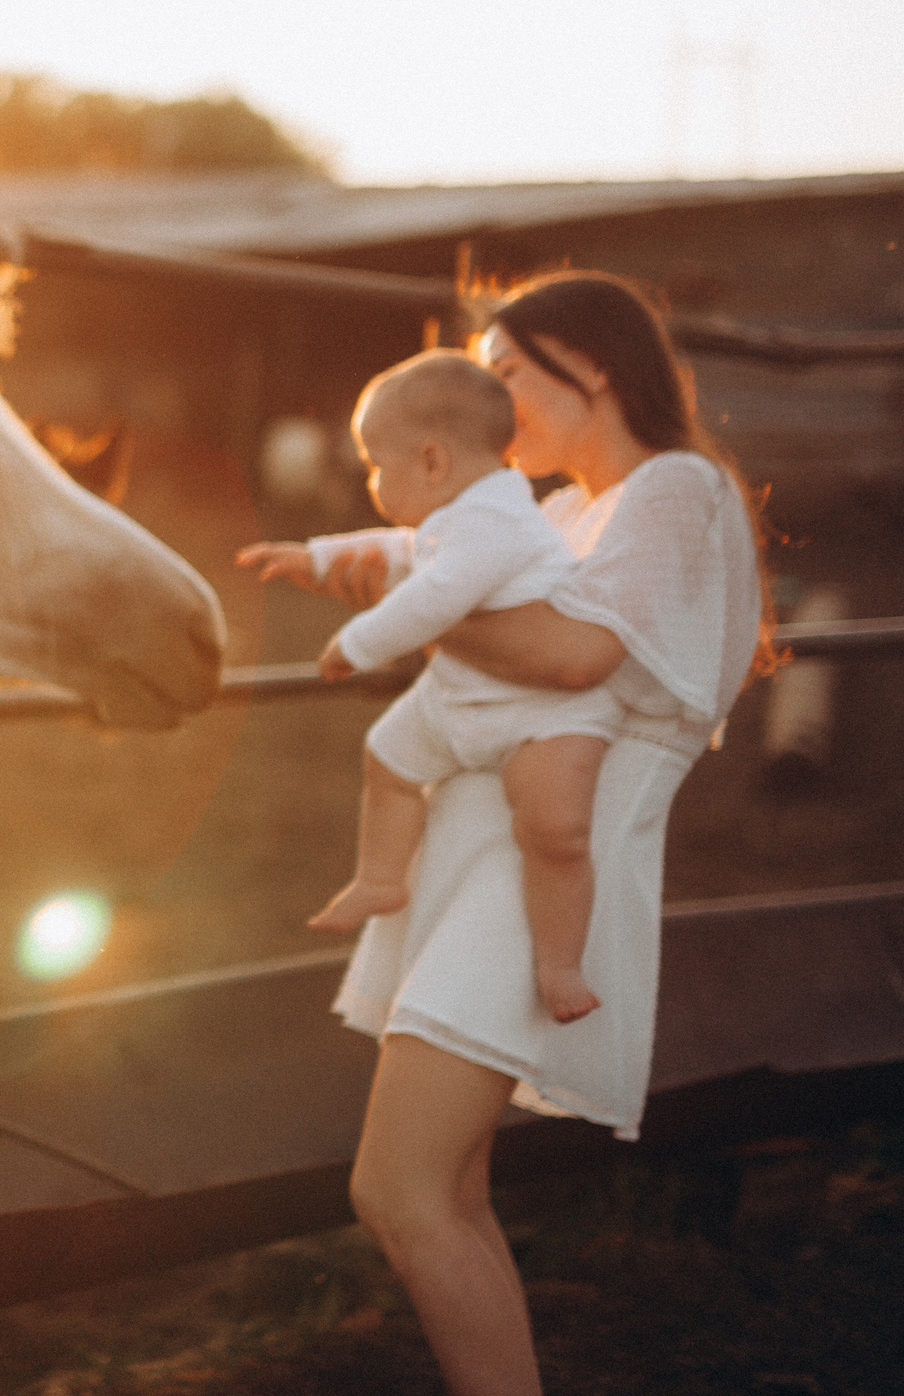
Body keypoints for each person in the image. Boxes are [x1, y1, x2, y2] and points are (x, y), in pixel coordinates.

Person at [278, 271, 766, 1396]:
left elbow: (569, 657)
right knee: (444, 1192)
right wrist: (381, 581)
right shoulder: (554, 514)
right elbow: (481, 602)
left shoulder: (674, 488)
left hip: (545, 868)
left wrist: (414, 618)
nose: (485, 404)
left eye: (505, 375)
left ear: (589, 367)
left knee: (396, 1188)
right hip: (479, 844)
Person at [237, 350, 621, 1024]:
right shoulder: (458, 513)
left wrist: (356, 643)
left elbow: (435, 595)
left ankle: (560, 965)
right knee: (387, 756)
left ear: (434, 462)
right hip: (466, 694)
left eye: (378, 465)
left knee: (555, 831)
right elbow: (400, 549)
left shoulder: (496, 522)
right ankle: (381, 878)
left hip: (540, 710)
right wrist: (316, 556)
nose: (373, 481)